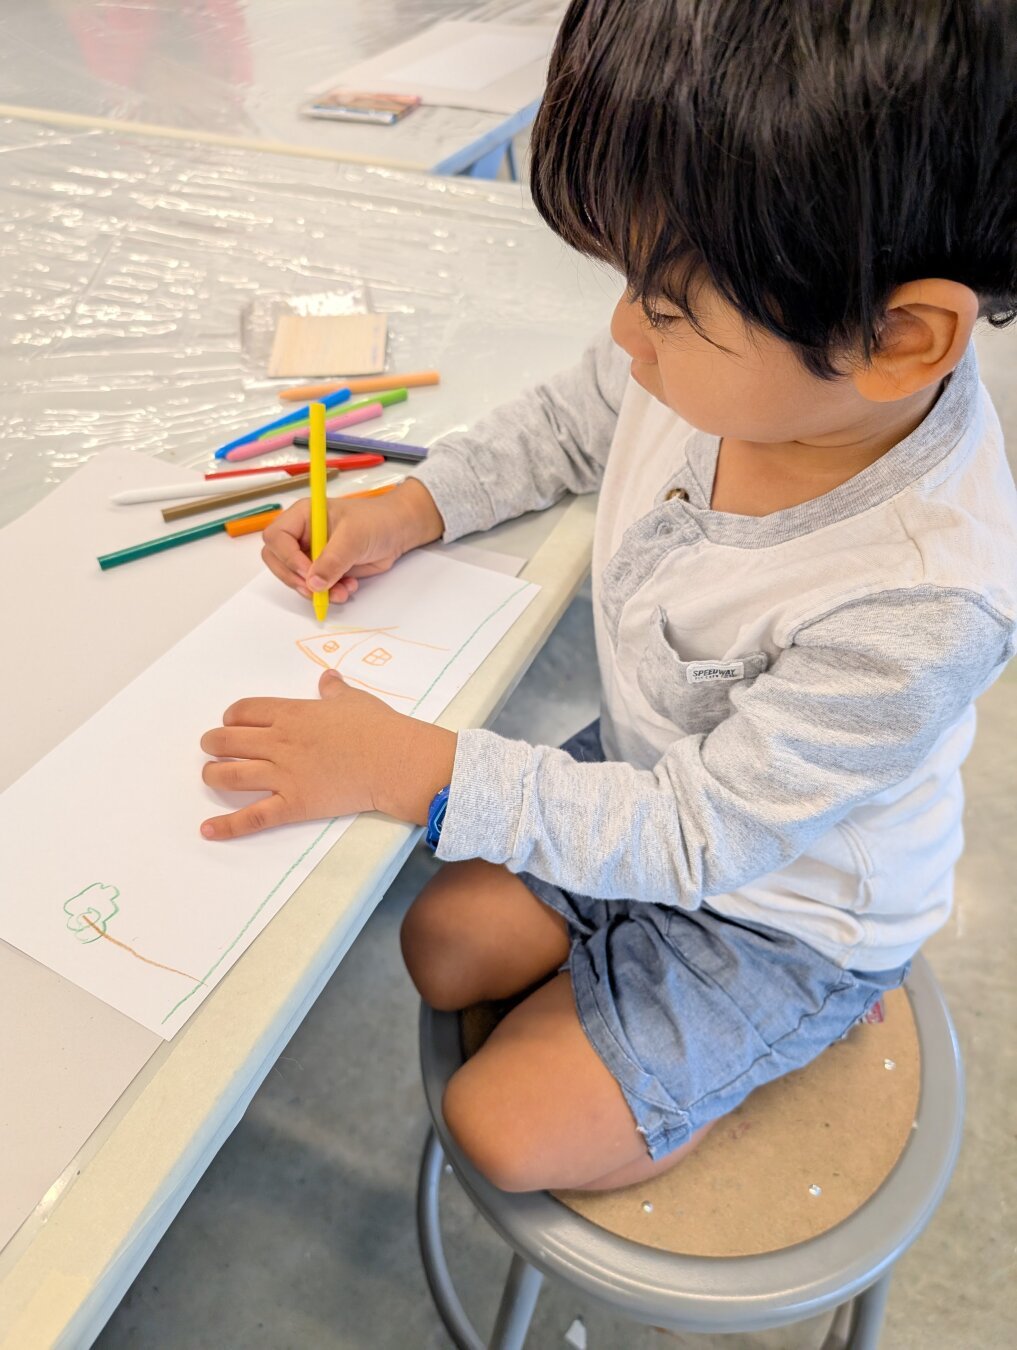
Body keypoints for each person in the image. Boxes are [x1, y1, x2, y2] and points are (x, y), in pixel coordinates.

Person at [199, 0, 1017, 1193]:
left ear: (901, 337)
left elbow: (704, 836)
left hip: (784, 907)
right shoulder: (743, 364)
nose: (626, 330)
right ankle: (619, 991)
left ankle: (785, 1032)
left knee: (503, 1127)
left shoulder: (920, 597)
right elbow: (573, 418)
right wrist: (415, 507)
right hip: (654, 773)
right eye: (632, 278)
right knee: (441, 944)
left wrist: (408, 769)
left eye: (670, 304)